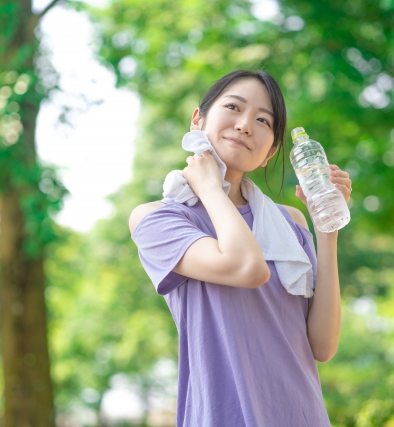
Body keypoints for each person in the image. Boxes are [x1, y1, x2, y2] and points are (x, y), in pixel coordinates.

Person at [129, 70, 352, 426]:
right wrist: (211, 190)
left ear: (271, 152)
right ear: (198, 120)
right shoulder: (157, 220)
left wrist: (326, 228)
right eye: (234, 107)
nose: (245, 125)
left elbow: (323, 346)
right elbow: (247, 268)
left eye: (263, 120)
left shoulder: (290, 223)